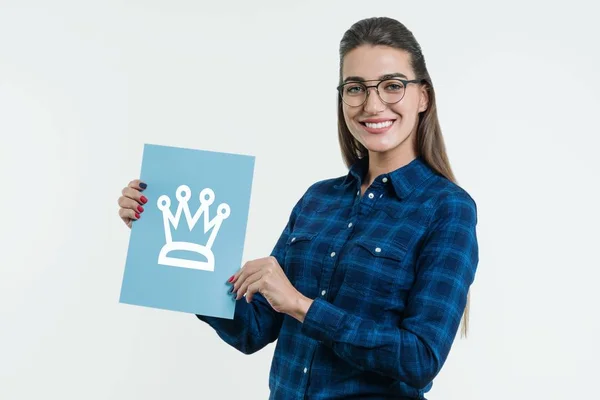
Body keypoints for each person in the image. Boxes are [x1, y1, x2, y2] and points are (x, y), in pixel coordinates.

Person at [117, 16, 479, 400]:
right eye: (356, 88)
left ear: (423, 96)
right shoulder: (319, 200)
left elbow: (420, 359)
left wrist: (303, 306)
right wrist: (160, 238)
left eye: (392, 86)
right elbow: (254, 329)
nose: (373, 105)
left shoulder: (447, 209)